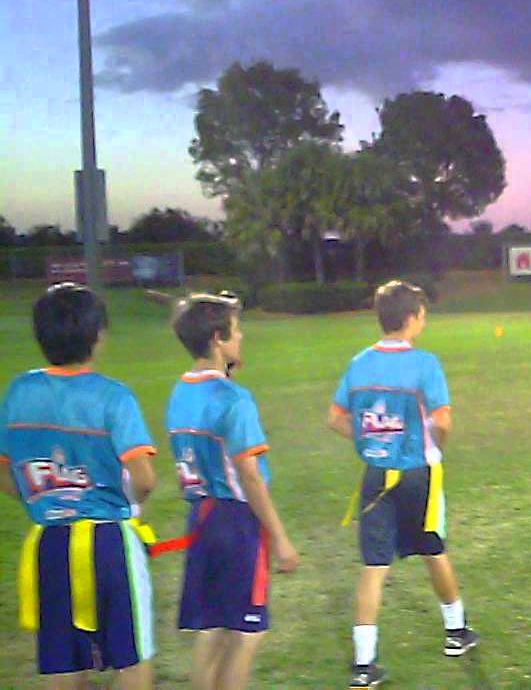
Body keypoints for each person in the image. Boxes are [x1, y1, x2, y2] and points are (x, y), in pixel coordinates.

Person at [0, 283, 158, 689]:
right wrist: (131, 506)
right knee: (132, 659)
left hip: (49, 543)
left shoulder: (18, 393)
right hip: (108, 542)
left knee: (64, 663)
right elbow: (144, 478)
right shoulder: (113, 397)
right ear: (97, 336)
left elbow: (4, 471)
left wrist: (44, 499)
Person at [326, 280, 477, 689]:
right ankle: (456, 631)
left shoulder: (359, 363)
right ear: (412, 318)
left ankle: (364, 664)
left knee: (374, 567)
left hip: (376, 474)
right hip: (416, 473)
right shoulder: (424, 364)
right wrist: (435, 448)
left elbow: (335, 418)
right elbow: (442, 421)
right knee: (433, 549)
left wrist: (368, 441)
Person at [166, 293, 299, 689]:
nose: (241, 338)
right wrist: (280, 538)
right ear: (217, 339)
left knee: (213, 631)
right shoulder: (233, 399)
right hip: (236, 522)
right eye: (236, 331)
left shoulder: (180, 391)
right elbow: (250, 477)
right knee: (245, 634)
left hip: (201, 517)